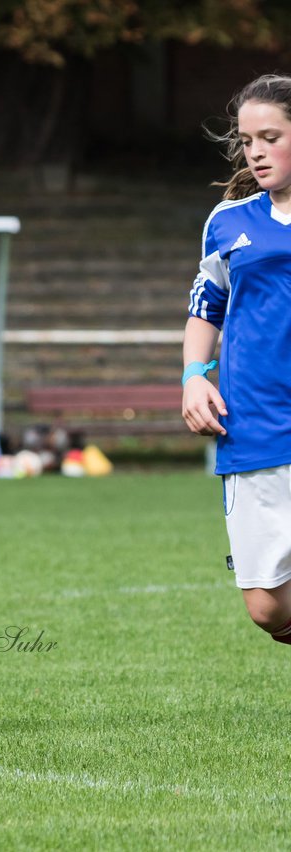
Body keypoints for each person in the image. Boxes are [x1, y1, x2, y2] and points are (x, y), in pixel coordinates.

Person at [182, 73, 291, 648]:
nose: (256, 152)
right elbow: (206, 308)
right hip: (252, 425)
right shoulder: (228, 222)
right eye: (248, 141)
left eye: (270, 137)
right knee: (266, 607)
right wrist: (194, 377)